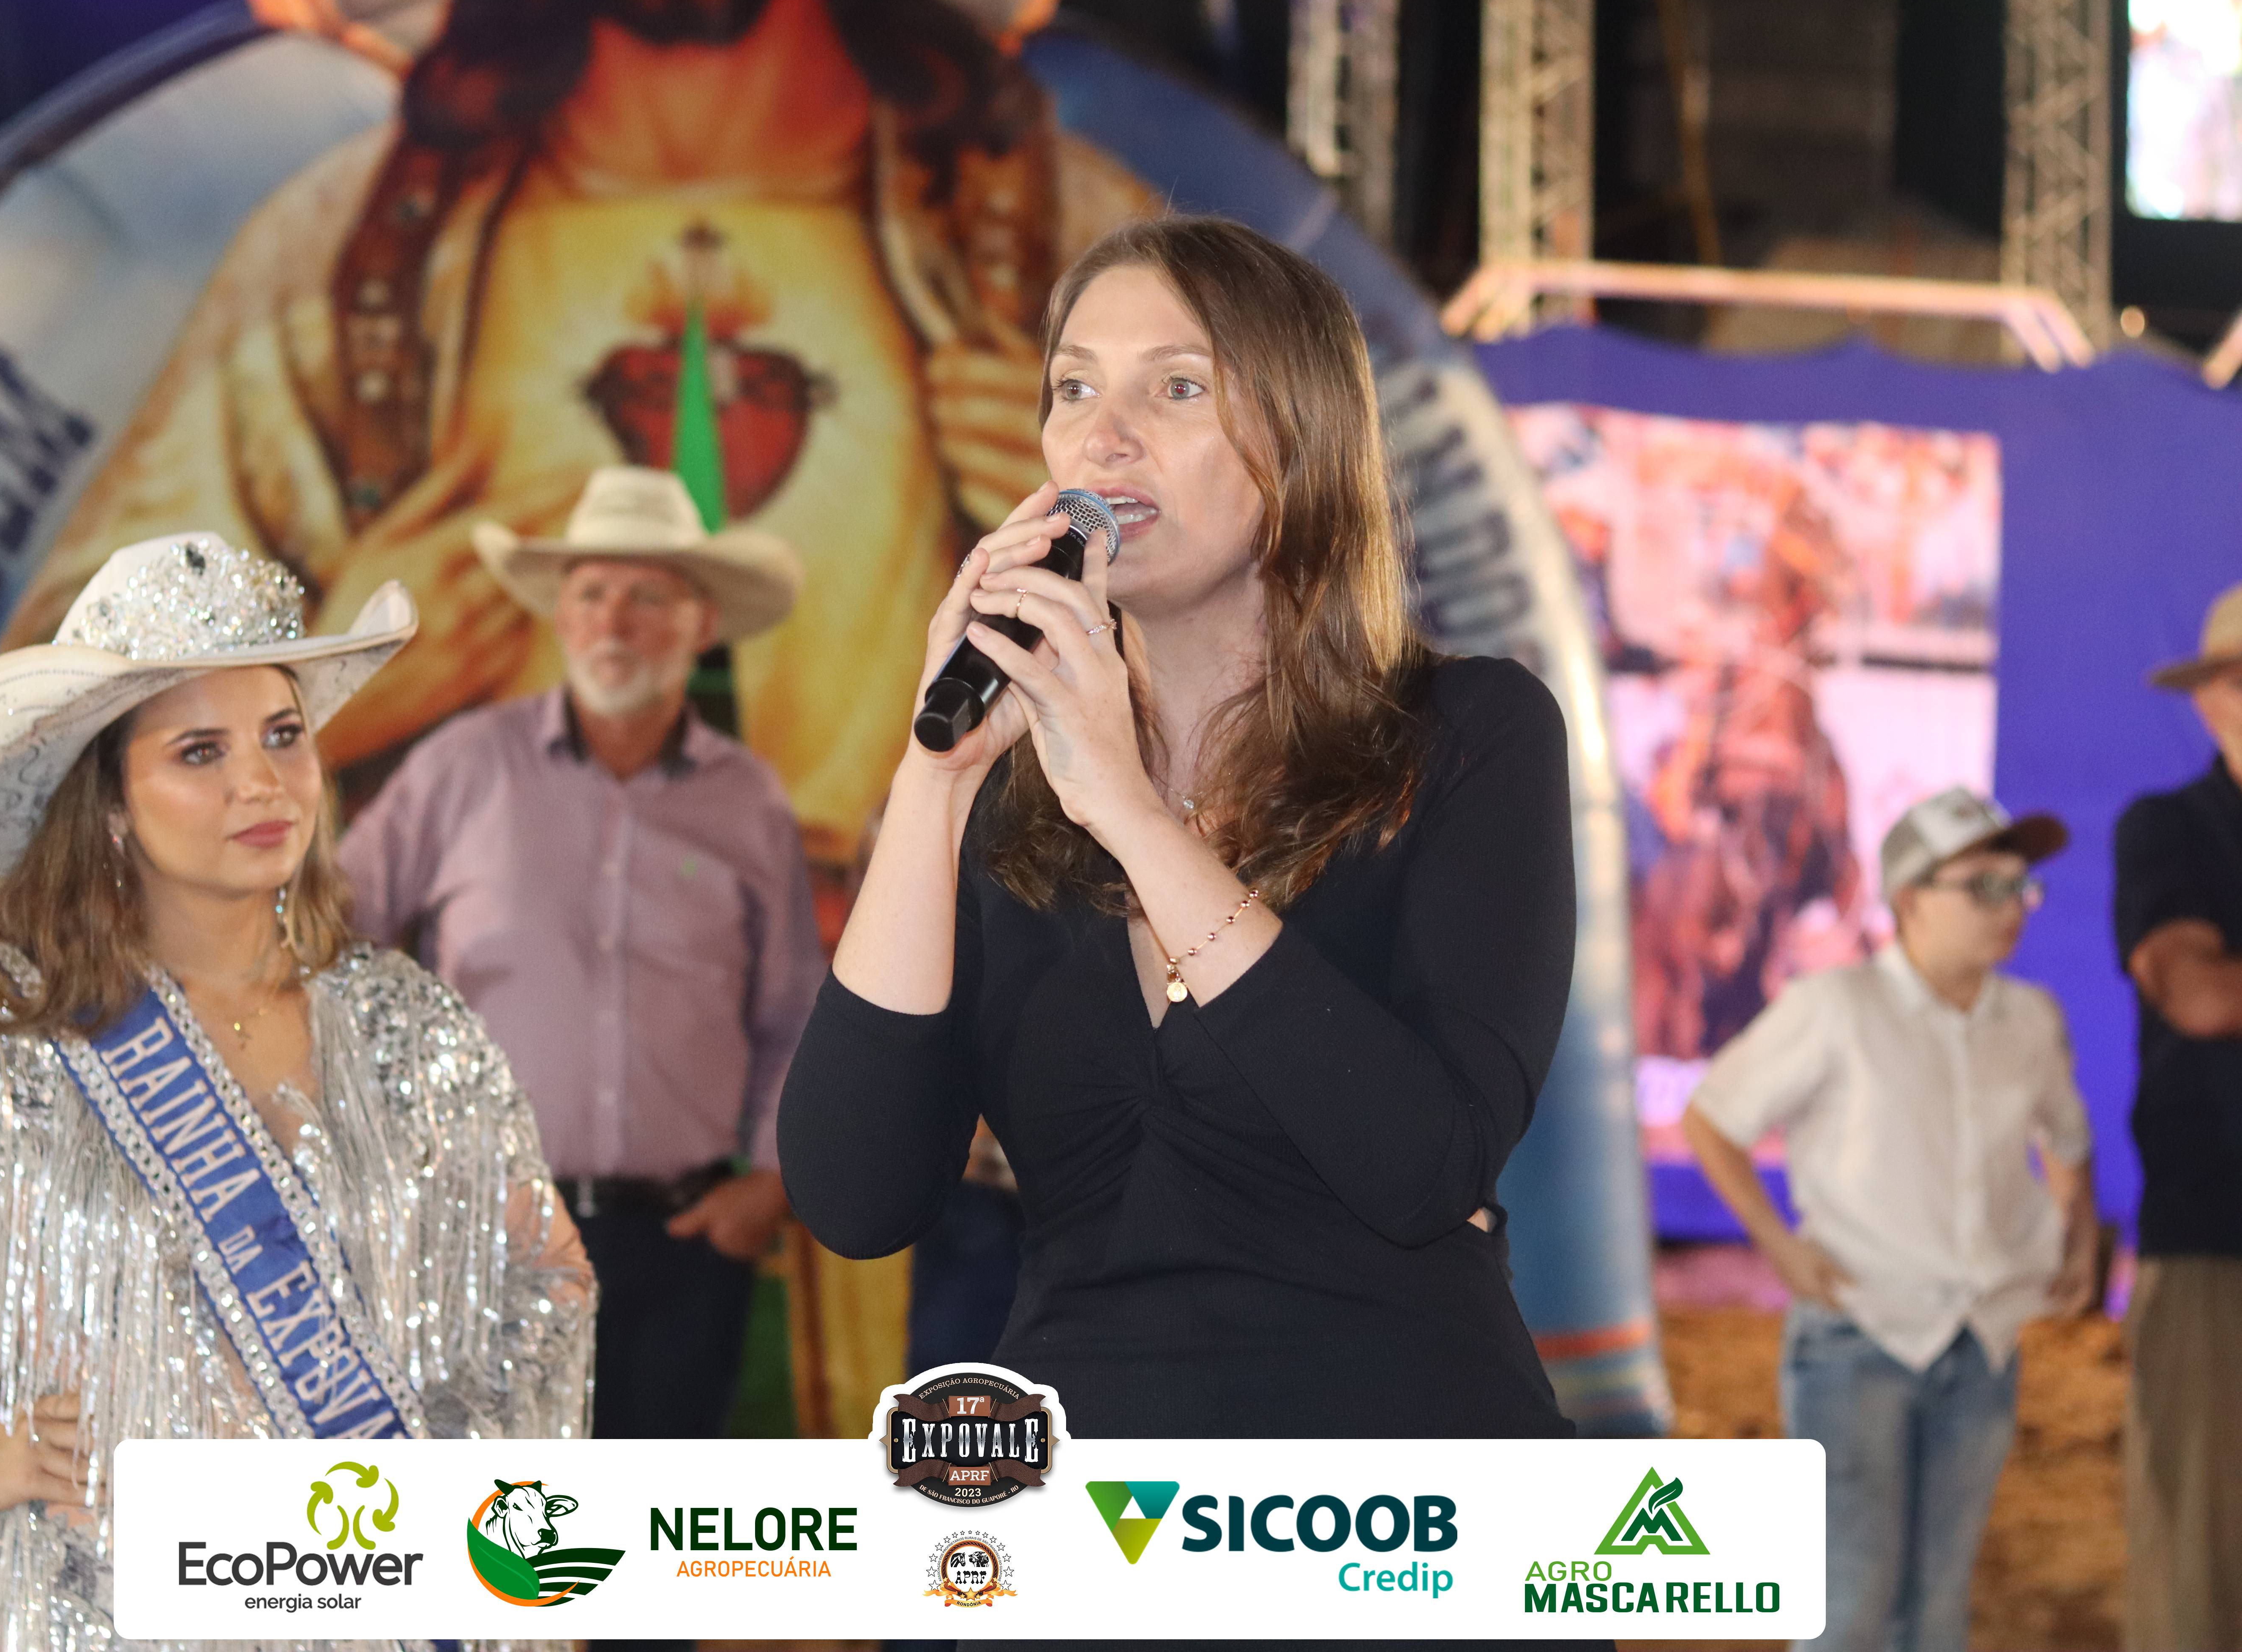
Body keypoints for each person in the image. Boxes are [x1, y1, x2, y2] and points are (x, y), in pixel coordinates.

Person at [5, 0, 1154, 859]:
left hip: (933, 1009)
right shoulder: (343, 254)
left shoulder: (1060, 234)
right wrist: (329, 695)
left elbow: (1252, 661)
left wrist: (1100, 541)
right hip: (493, 1001)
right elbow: (46, 740)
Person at [776, 215, 1585, 1462]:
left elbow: (1423, 1165)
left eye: (1178, 387)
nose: (1104, 435)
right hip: (1092, 1512)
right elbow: (854, 1195)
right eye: (1074, 388)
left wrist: (1136, 814)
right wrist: (936, 782)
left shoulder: (1465, 735)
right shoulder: (1011, 806)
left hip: (1402, 1506)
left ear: (1303, 440)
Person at [0, 532, 592, 1645]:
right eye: (199, 751)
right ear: (113, 801)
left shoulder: (404, 1024)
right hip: (89, 1611)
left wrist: (446, 1484)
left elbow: (550, 1280)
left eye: (283, 734)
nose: (260, 780)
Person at [340, 466, 821, 1439]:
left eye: (649, 597)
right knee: (487, 1517)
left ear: (702, 624)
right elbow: (329, 949)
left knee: (656, 1520)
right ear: (559, 615)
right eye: (593, 593)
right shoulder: (465, 765)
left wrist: (771, 1183)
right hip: (482, 1236)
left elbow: (794, 1014)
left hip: (685, 1246)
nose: (615, 622)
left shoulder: (750, 802)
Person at [1682, 786, 2097, 1652]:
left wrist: (2079, 1237)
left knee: (1938, 1606)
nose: (2011, 906)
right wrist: (1780, 1246)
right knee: (1851, 1605)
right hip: (1857, 1337)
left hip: (1982, 1343)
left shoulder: (2031, 1018)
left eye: (2019, 885)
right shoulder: (1835, 1006)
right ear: (1910, 899)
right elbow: (1713, 1119)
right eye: (1983, 885)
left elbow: (2068, 1137)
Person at [2113, 580, 2242, 1652]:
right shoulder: (2170, 828)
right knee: (2199, 1557)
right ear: (2210, 699)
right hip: (2214, 1236)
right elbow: (2199, 996)